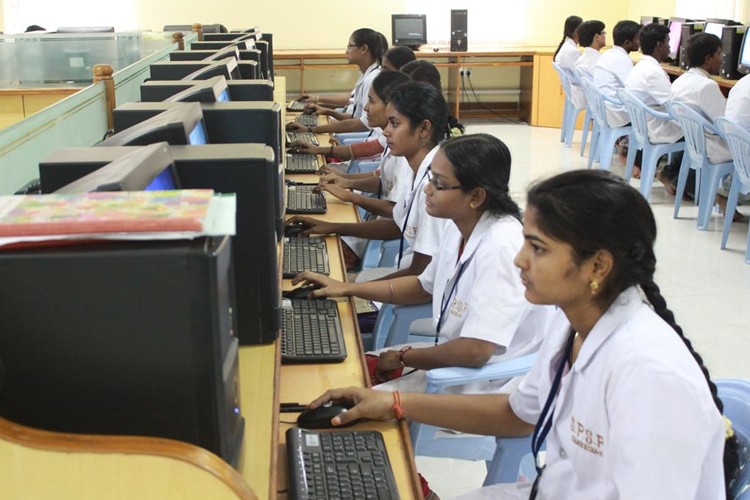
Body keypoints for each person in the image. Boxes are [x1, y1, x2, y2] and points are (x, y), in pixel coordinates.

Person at [307, 169, 739, 500]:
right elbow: (518, 414)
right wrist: (394, 403)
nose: (519, 261)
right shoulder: (574, 324)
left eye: (537, 248)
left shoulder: (650, 374)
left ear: (598, 266)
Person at [294, 134, 550, 393]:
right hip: (455, 360)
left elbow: (476, 350)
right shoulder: (460, 227)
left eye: (438, 184)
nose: (428, 190)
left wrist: (404, 357)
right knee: (347, 370)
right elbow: (421, 286)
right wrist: (346, 288)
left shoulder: (501, 246)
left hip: (483, 383)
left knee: (347, 390)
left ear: (475, 196)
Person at [288, 81, 449, 280]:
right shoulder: (421, 170)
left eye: (395, 124)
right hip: (405, 271)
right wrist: (333, 227)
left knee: (328, 277)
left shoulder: (432, 185)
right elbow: (398, 224)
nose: (387, 131)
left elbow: (419, 278)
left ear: (424, 129)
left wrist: (349, 288)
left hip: (414, 291)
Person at [315, 71, 412, 221]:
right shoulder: (393, 138)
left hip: (385, 232)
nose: (366, 108)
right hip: (377, 215)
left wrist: (351, 196)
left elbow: (396, 216)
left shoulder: (404, 152)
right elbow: (384, 180)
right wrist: (346, 181)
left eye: (372, 102)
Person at [670, 33, 744, 216]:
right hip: (715, 147)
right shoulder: (706, 86)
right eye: (719, 54)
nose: (722, 59)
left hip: (695, 145)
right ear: (708, 58)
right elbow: (727, 122)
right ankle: (727, 195)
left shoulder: (681, 81)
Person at [293, 28, 384, 134]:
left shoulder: (372, 80)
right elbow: (353, 110)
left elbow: (361, 123)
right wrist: (322, 106)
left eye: (350, 46)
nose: (346, 51)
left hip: (363, 135)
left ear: (363, 49)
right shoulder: (366, 75)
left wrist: (311, 130)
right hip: (354, 127)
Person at [625, 22, 683, 182]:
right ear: (659, 45)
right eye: (668, 42)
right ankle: (672, 177)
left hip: (644, 125)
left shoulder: (640, 67)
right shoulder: (653, 72)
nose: (670, 46)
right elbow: (673, 107)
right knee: (699, 135)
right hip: (656, 128)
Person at [593, 20, 641, 128]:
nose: (640, 41)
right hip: (618, 114)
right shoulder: (622, 59)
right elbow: (633, 89)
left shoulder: (609, 54)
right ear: (627, 43)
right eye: (638, 38)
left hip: (606, 110)